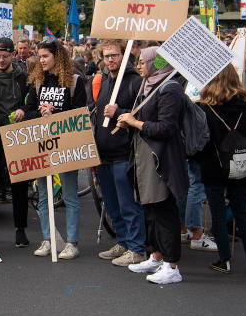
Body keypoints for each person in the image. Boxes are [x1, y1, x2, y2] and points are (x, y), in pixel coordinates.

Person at [117, 47, 190, 284]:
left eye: (142, 61)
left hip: (162, 159)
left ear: (155, 63)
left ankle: (172, 265)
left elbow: (166, 128)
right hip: (145, 156)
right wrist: (131, 121)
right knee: (150, 210)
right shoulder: (148, 85)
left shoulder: (170, 89)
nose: (139, 65)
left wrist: (135, 122)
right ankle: (156, 256)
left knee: (164, 210)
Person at [196, 64, 246, 274]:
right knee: (241, 213)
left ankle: (224, 259)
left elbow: (200, 142)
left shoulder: (205, 108)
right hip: (241, 164)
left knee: (217, 212)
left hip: (214, 166)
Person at [23, 40, 87, 259]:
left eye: (45, 56)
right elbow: (29, 110)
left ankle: (71, 242)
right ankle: (47, 239)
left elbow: (80, 115)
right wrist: (41, 113)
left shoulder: (74, 83)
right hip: (42, 145)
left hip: (67, 145)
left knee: (69, 195)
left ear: (57, 57)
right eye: (39, 57)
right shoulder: (38, 83)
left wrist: (56, 113)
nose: (41, 61)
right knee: (43, 195)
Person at [93, 40, 147, 266]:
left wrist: (120, 112)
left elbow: (142, 114)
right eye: (107, 56)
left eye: (115, 55)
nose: (110, 60)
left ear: (124, 56)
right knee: (112, 204)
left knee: (128, 204)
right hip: (103, 152)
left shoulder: (135, 82)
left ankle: (137, 247)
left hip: (123, 152)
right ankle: (123, 242)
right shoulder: (106, 80)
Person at [0, 37, 32, 247]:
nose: (0, 60)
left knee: (19, 183)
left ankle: (20, 229)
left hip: (17, 137)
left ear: (12, 55)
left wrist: (23, 110)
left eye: (4, 56)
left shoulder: (23, 78)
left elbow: (32, 103)